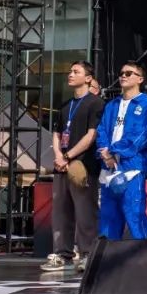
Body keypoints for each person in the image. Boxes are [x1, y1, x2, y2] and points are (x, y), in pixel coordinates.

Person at [41, 60, 105, 273]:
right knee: (61, 212)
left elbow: (91, 135)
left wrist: (68, 156)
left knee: (86, 212)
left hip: (83, 166)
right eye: (70, 71)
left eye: (76, 71)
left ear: (88, 78)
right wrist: (59, 156)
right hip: (62, 166)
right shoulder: (65, 105)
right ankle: (62, 254)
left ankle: (87, 254)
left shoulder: (96, 103)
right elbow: (57, 134)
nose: (70, 74)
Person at [96, 62, 147, 240]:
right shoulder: (112, 105)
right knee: (109, 217)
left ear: (140, 79)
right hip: (109, 168)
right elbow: (101, 130)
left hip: (132, 168)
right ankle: (108, 255)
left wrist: (112, 151)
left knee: (134, 214)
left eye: (129, 73)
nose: (123, 76)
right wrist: (104, 153)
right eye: (121, 73)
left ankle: (142, 255)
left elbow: (141, 136)